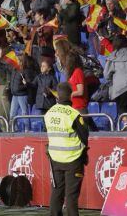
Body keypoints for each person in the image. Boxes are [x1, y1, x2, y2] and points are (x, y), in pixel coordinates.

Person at [45, 83, 88, 216]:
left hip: (55, 159)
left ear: (57, 95)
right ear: (70, 95)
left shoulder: (49, 113)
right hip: (73, 159)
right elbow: (84, 136)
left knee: (56, 192)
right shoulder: (74, 114)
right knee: (71, 197)